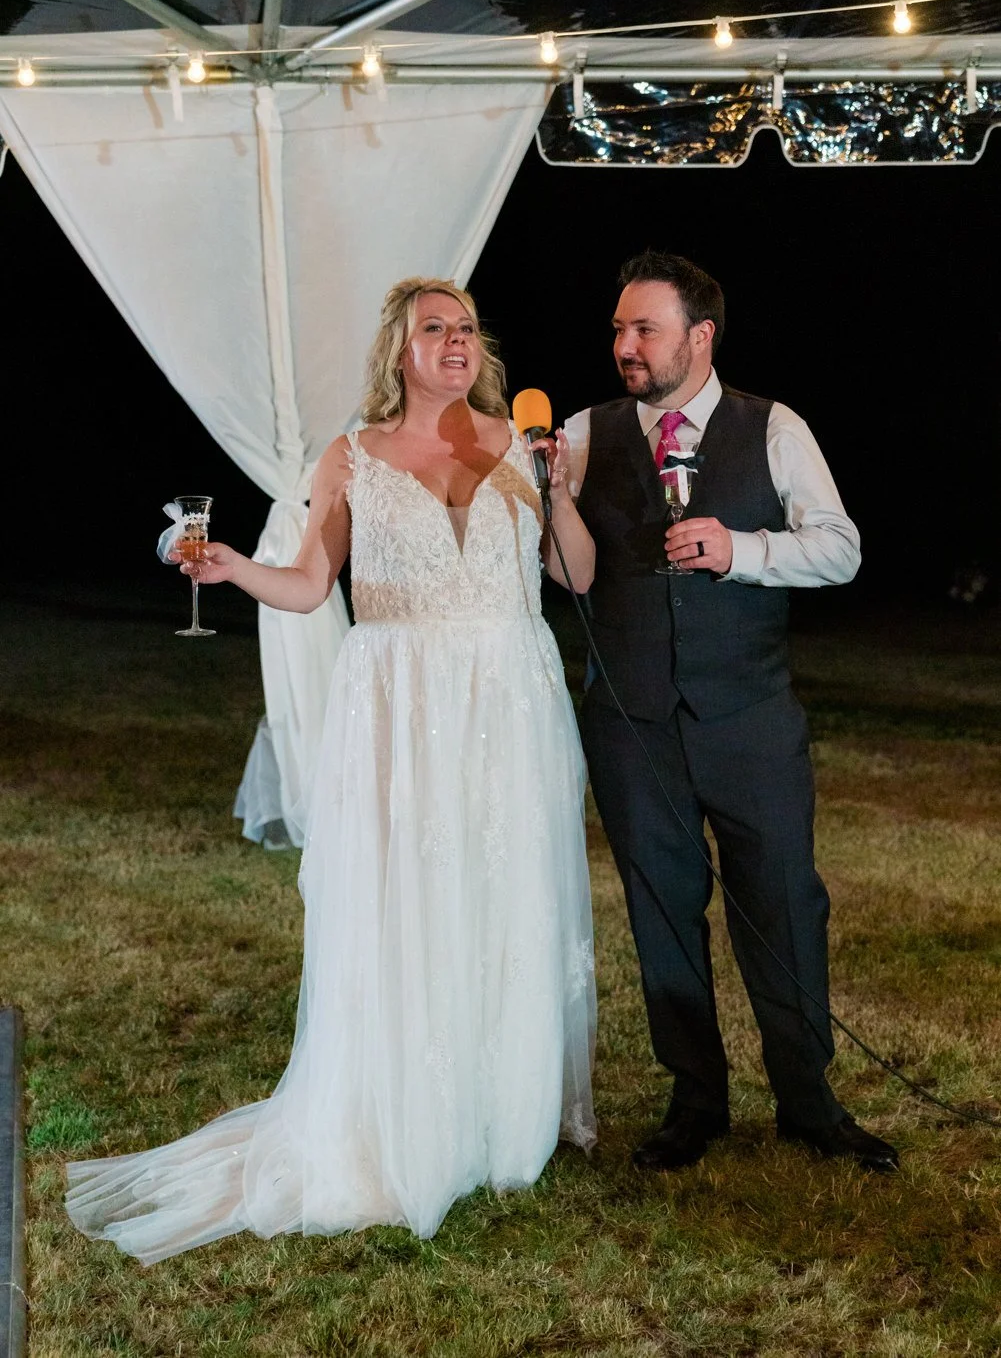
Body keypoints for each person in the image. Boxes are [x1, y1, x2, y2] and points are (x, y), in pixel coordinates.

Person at [65, 277, 597, 1264]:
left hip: (509, 701)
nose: (453, 342)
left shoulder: (522, 446)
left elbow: (577, 575)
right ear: (398, 350)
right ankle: (405, 1115)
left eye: (466, 329)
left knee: (505, 890)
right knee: (411, 897)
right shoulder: (351, 455)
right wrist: (231, 569)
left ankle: (500, 1115)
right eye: (433, 329)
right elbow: (311, 584)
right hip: (401, 704)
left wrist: (558, 485)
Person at [558, 250, 898, 1175]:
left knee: (784, 903)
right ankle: (694, 1101)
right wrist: (550, 500)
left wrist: (740, 547)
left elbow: (839, 551)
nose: (624, 346)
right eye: (619, 329)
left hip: (748, 717)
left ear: (699, 337)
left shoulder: (772, 426)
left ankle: (809, 1104)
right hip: (631, 724)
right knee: (662, 909)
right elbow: (569, 575)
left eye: (645, 330)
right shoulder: (585, 435)